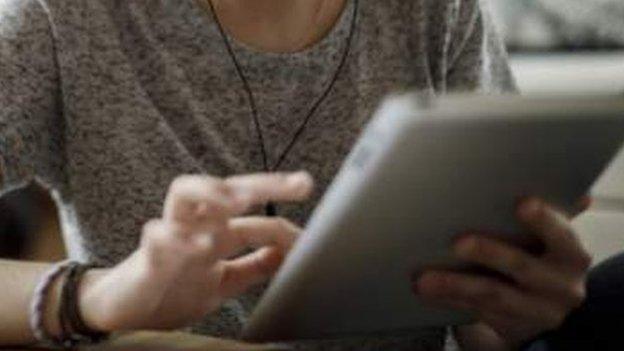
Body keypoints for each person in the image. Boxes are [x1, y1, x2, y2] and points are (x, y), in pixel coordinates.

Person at [0, 0, 593, 350]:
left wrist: (514, 313)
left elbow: (482, 326)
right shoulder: (63, 16)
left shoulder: (438, 10)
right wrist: (97, 297)